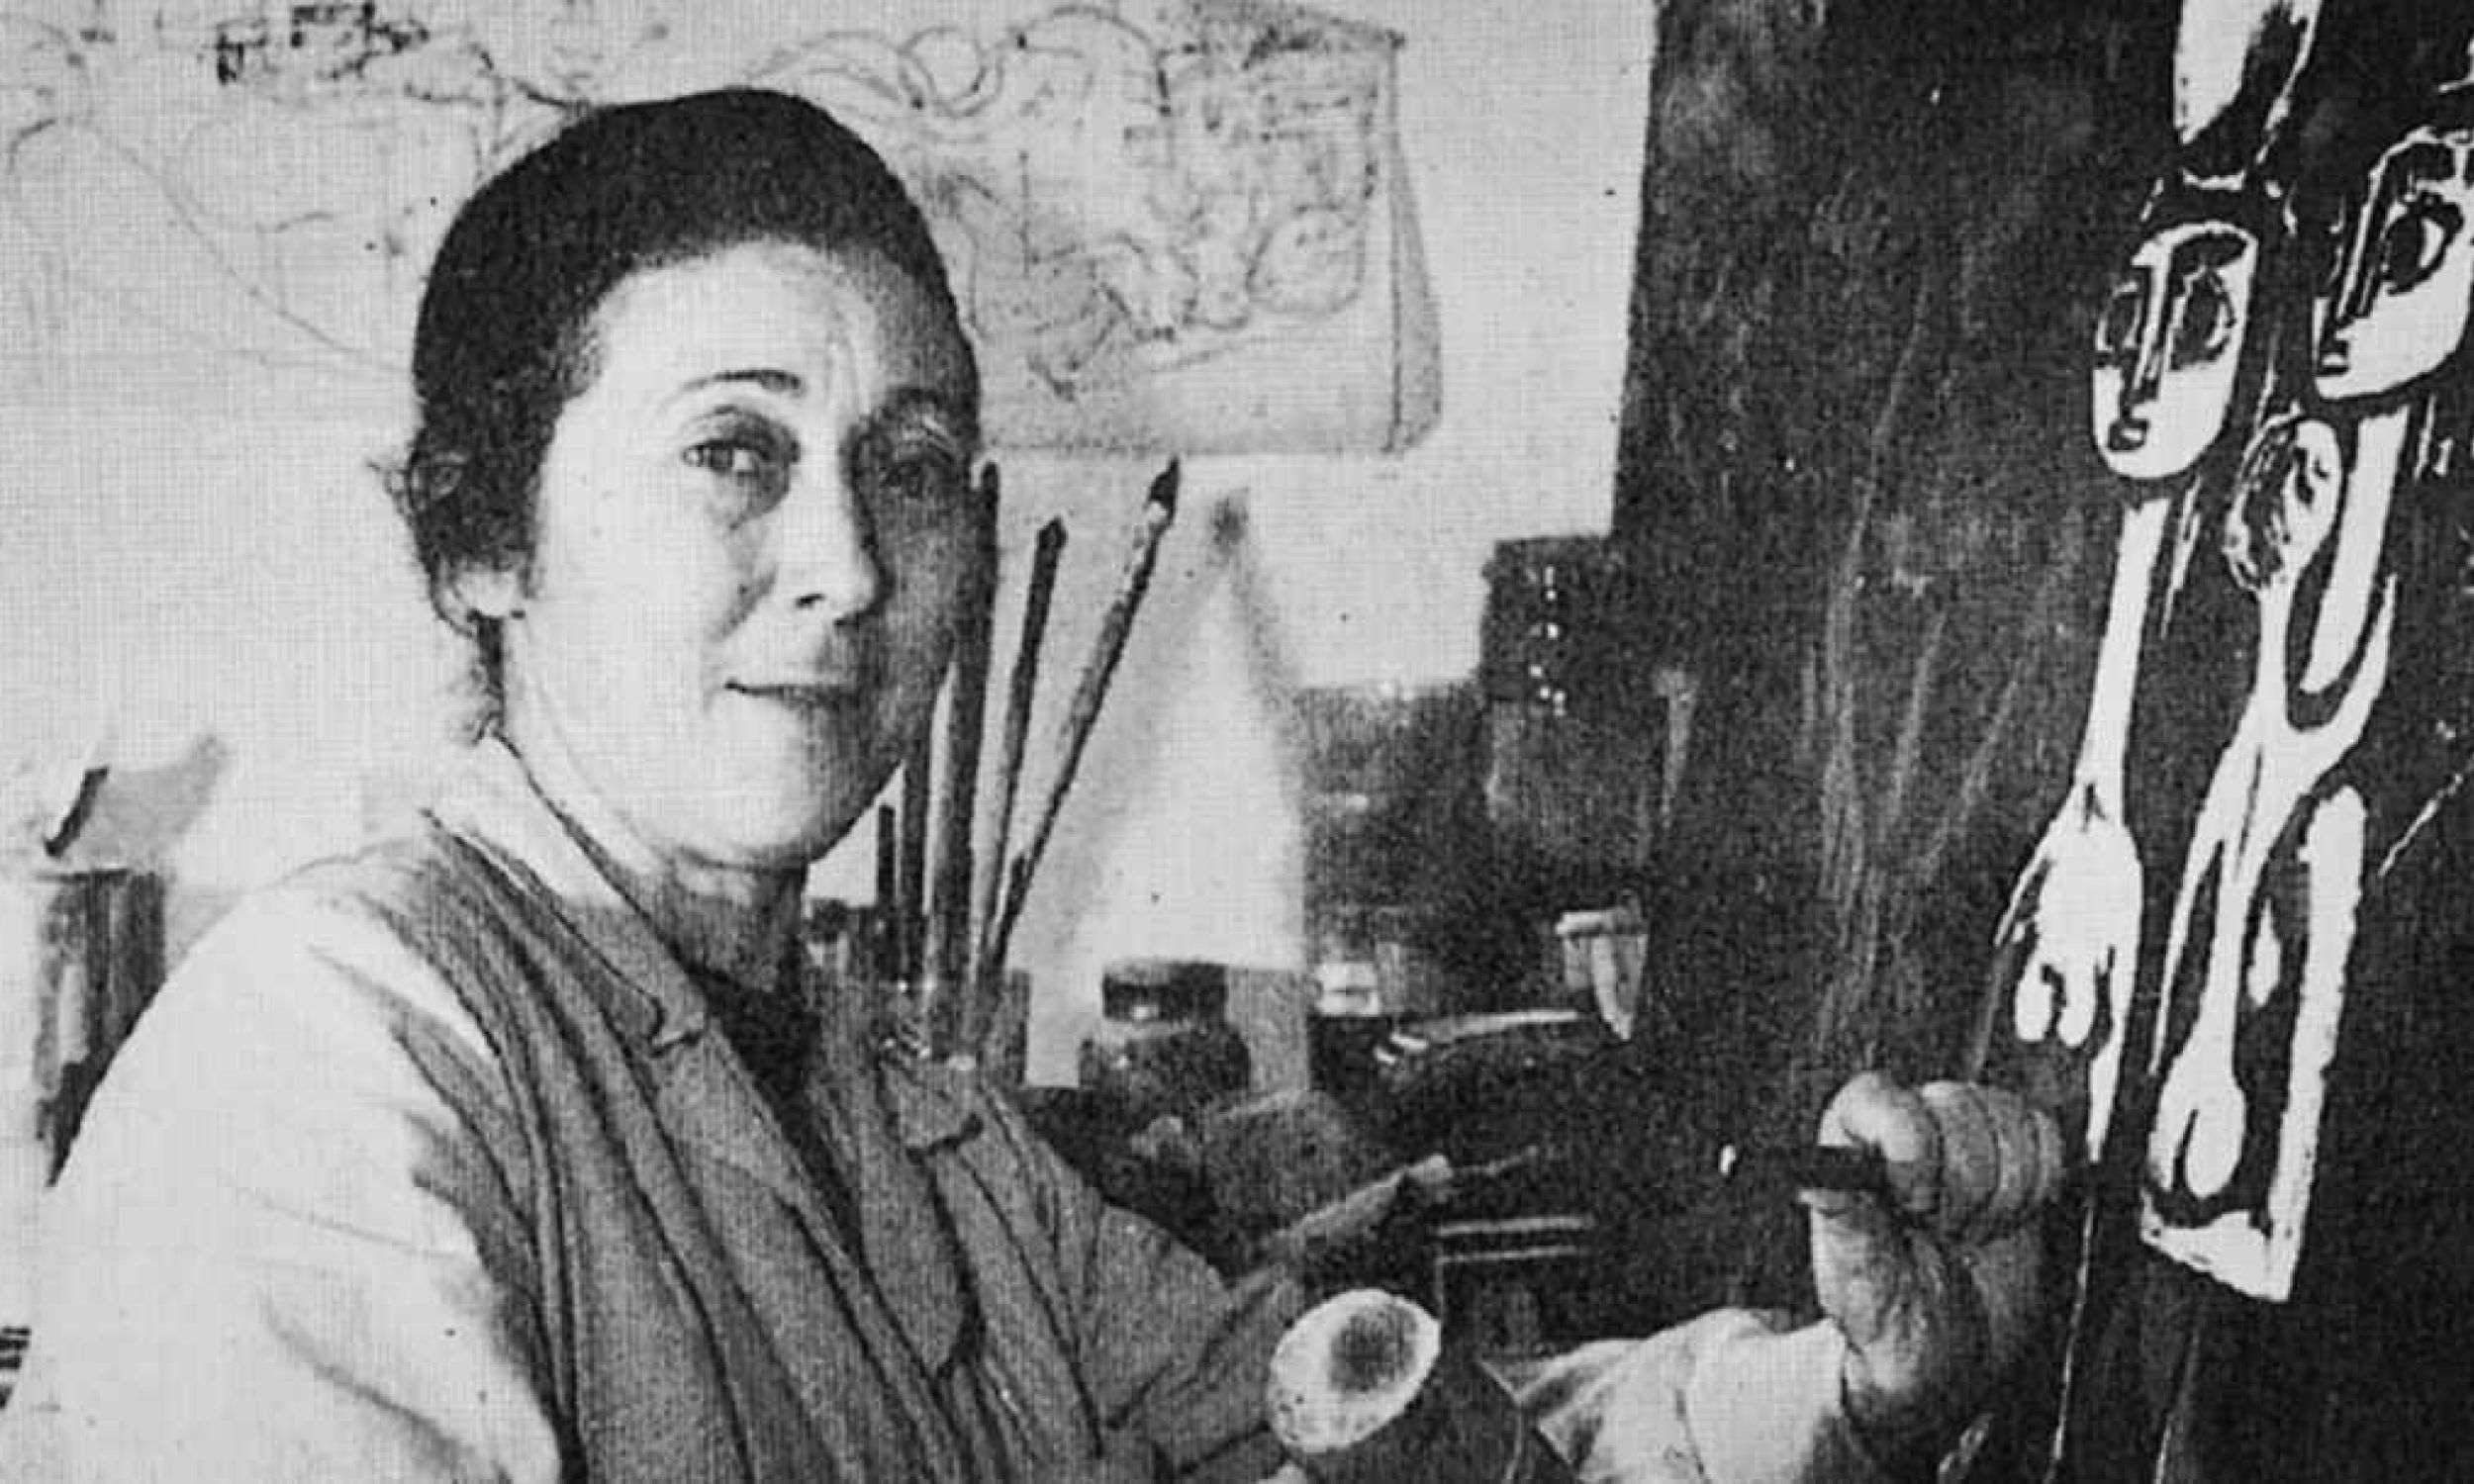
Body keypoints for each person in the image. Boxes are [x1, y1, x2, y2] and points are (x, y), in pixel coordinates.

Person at [0, 88, 2063, 1482]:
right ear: (483, 541)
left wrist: (1847, 1398)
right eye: (734, 452)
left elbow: (1361, 1448)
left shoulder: (907, 1120)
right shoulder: (337, 1057)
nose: (848, 560)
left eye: (909, 468)